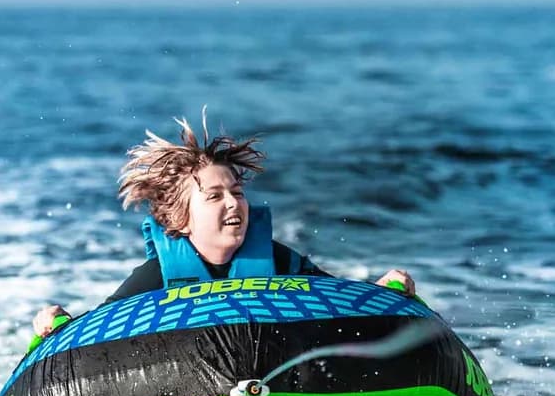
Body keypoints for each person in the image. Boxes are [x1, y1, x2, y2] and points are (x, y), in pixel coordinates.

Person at [32, 117, 416, 337]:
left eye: (237, 192)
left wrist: (381, 292)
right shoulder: (156, 276)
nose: (233, 202)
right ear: (181, 220)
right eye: (214, 196)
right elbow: (98, 328)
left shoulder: (280, 262)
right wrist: (58, 323)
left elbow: (341, 303)